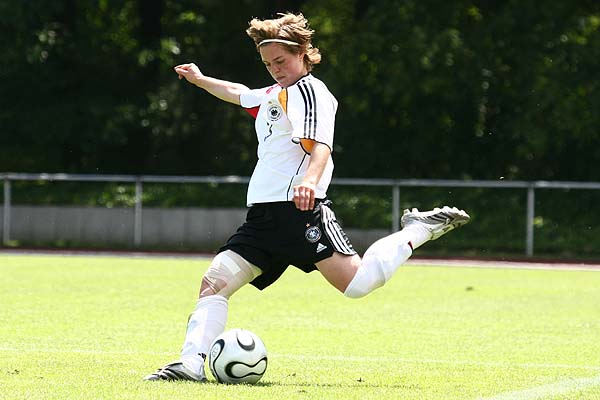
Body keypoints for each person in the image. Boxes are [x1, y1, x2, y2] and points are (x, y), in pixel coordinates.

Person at [144, 12, 469, 382]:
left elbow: (322, 145)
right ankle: (189, 365)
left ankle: (417, 228)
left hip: (300, 212)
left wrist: (309, 183)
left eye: (281, 61)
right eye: (268, 64)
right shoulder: (274, 94)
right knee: (213, 284)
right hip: (263, 220)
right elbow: (237, 92)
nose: (275, 69)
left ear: (302, 53)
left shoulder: (310, 92)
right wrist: (200, 79)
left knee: (358, 285)